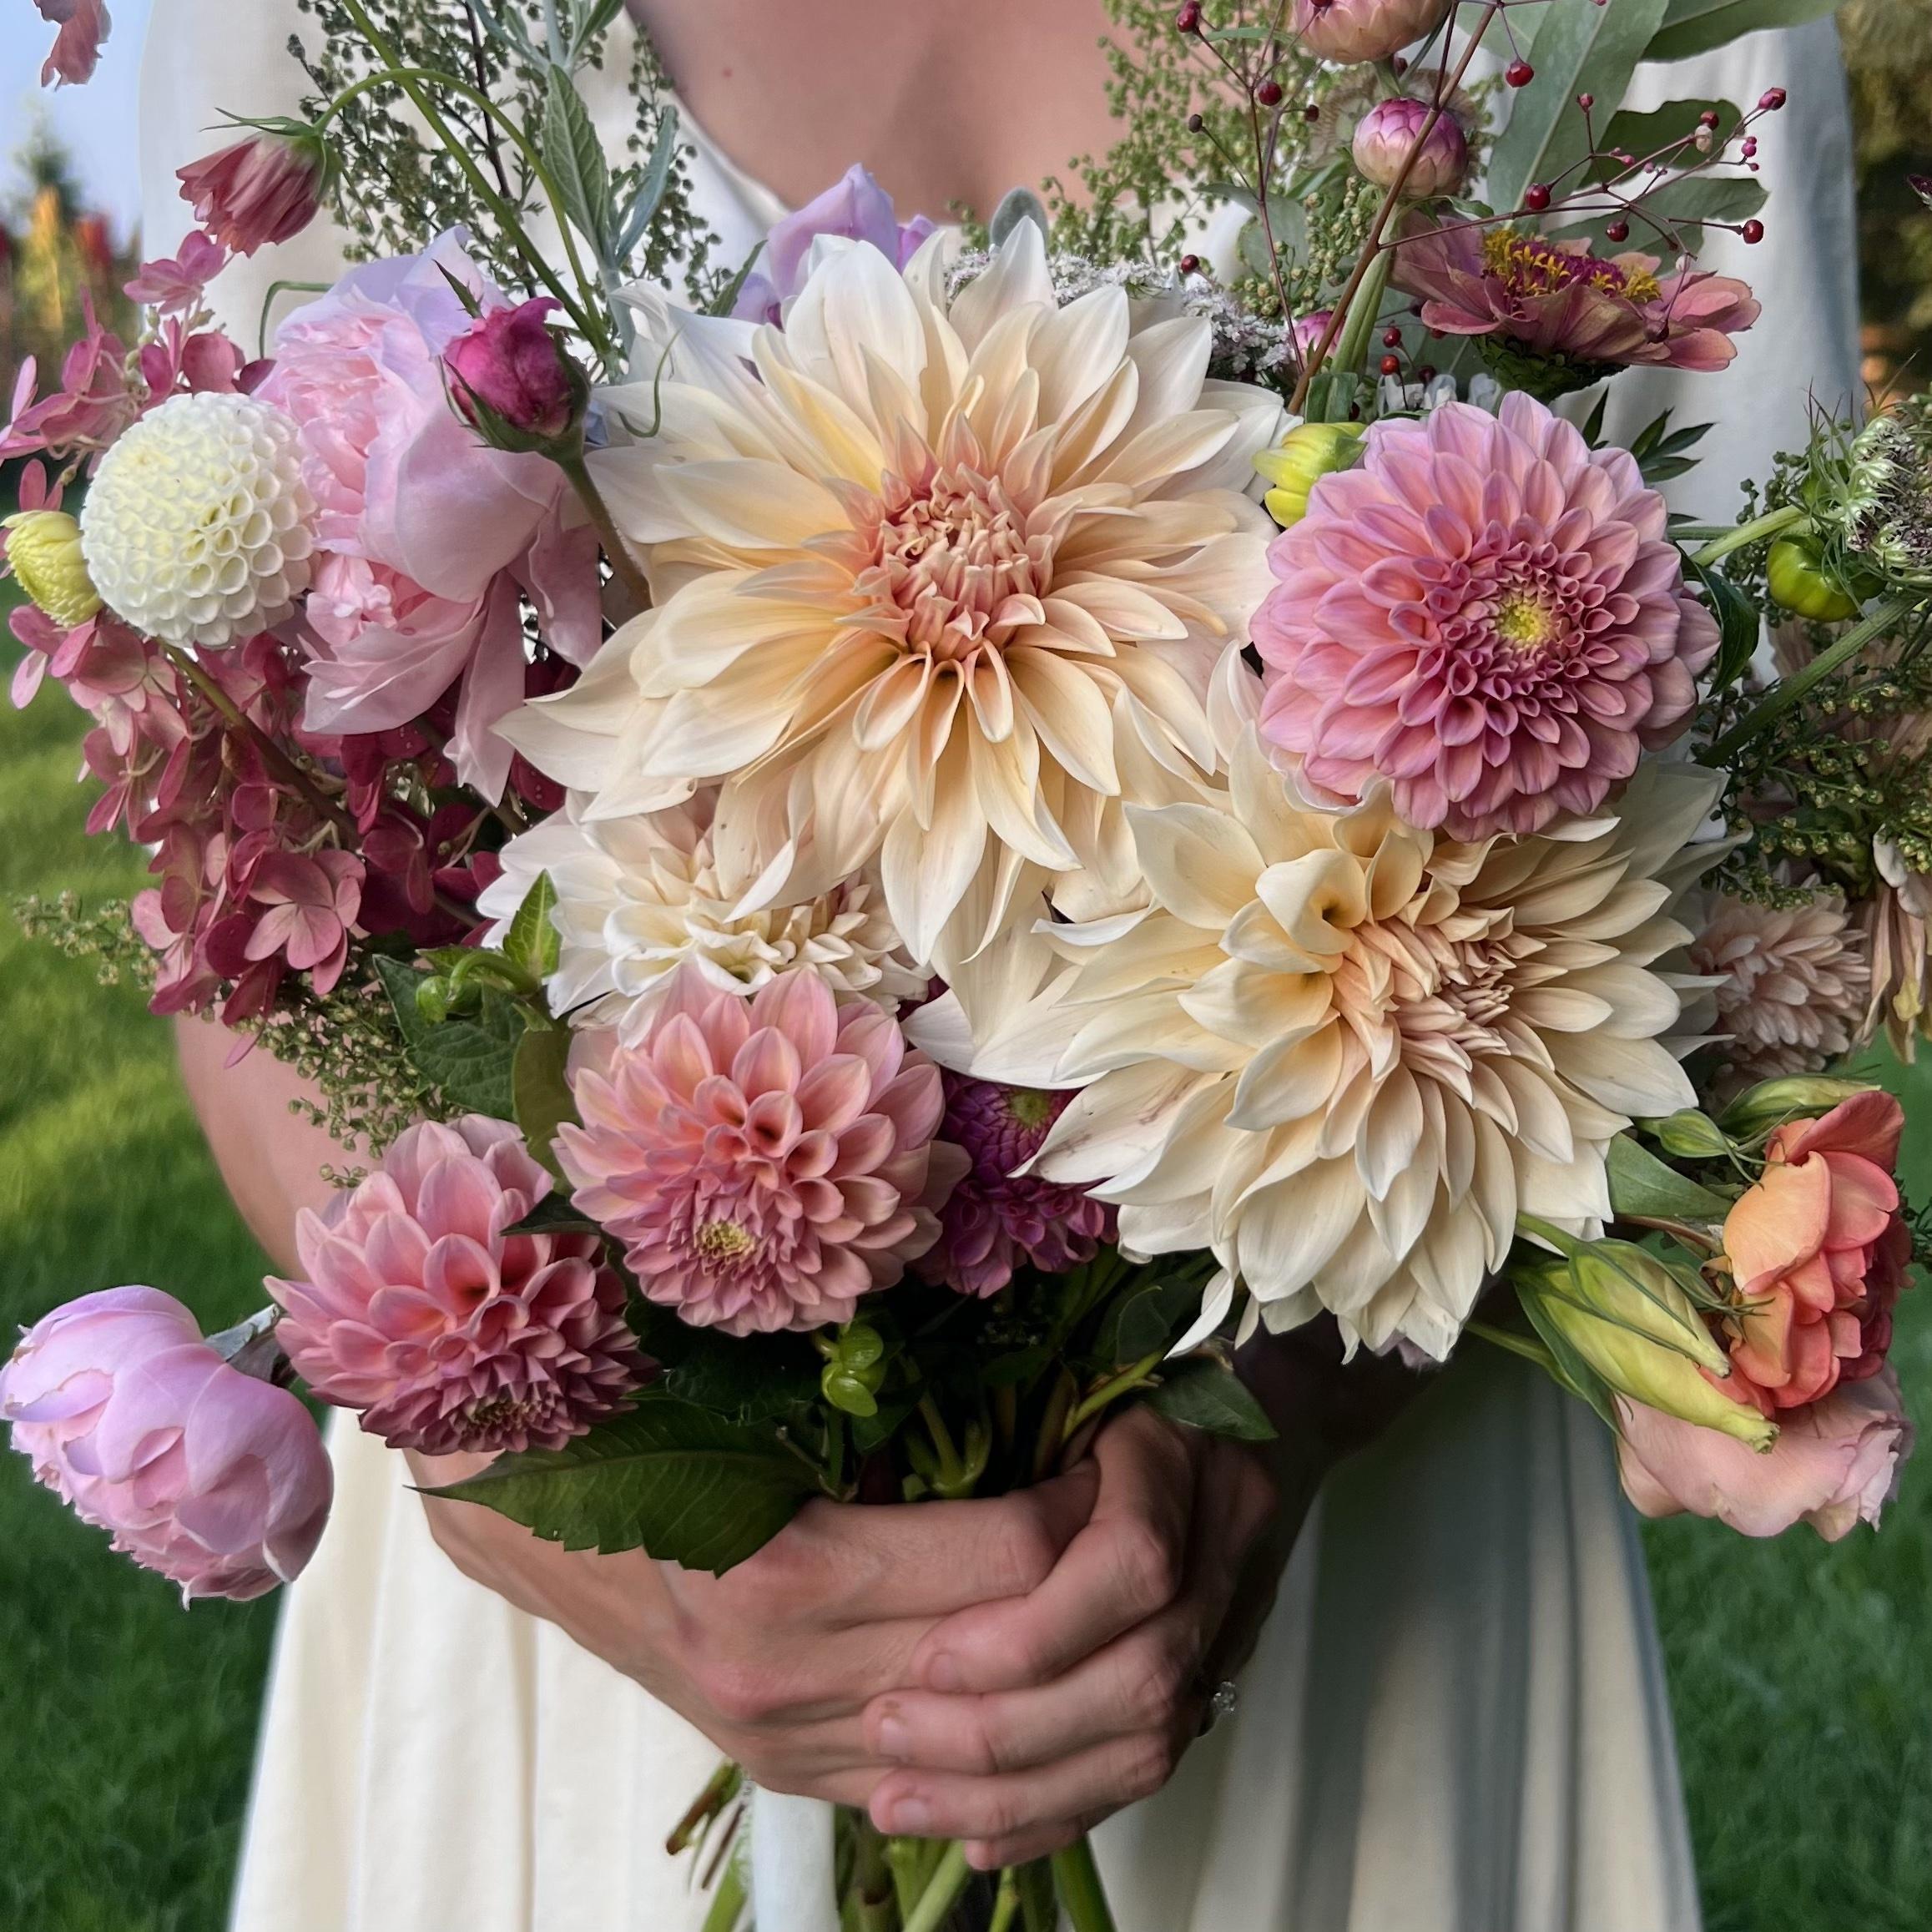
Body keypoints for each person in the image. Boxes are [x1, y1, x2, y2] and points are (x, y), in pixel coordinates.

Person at [137, 4, 1859, 1926]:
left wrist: (1282, 1411)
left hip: (1371, 1436)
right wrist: (527, 1464)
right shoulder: (307, 29)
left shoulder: (1648, 33)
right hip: (606, 1599)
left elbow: (1761, 814)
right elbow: (231, 837)